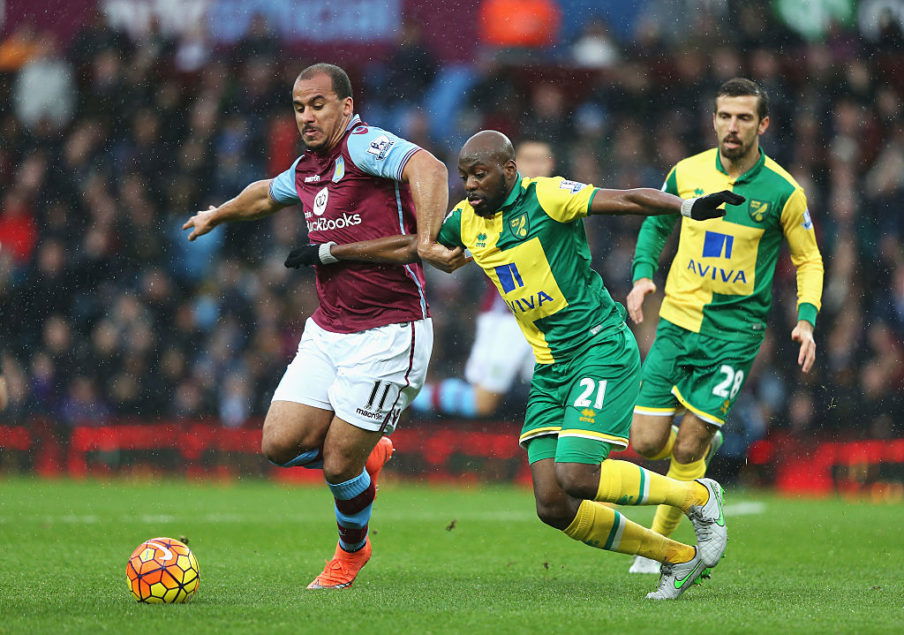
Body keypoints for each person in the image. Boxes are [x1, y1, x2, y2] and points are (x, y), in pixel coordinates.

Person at [290, 130, 743, 599]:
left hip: (598, 347)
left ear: (509, 170)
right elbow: (416, 246)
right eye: (465, 176)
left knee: (577, 475)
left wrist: (686, 206)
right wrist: (332, 252)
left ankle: (698, 495)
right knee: (553, 504)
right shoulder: (466, 220)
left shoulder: (549, 196)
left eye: (479, 174)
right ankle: (677, 557)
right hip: (550, 365)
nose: (469, 184)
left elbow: (626, 198)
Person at [183, 63, 461, 590]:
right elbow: (265, 193)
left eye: (318, 105)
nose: (307, 117)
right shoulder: (308, 168)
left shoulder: (363, 146)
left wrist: (427, 239)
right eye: (299, 107)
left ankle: (351, 553)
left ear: (346, 107)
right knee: (278, 445)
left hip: (390, 331)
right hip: (329, 329)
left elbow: (429, 168)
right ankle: (365, 452)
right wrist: (218, 215)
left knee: (337, 465)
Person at [626, 78, 824, 574]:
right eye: (725, 116)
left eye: (743, 117)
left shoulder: (783, 191)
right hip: (677, 322)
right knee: (645, 441)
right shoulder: (686, 172)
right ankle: (702, 448)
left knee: (688, 444)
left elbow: (809, 259)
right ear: (713, 120)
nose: (732, 126)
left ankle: (658, 545)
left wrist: (806, 320)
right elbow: (656, 222)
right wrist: (644, 275)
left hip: (735, 335)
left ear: (763, 124)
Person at [412, 139, 555, 417]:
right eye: (529, 160)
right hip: (508, 316)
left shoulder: (558, 201)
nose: (537, 166)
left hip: (550, 315)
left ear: (552, 164)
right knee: (483, 402)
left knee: (554, 394)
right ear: (512, 167)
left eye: (542, 160)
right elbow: (449, 243)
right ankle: (410, 398)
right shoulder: (492, 201)